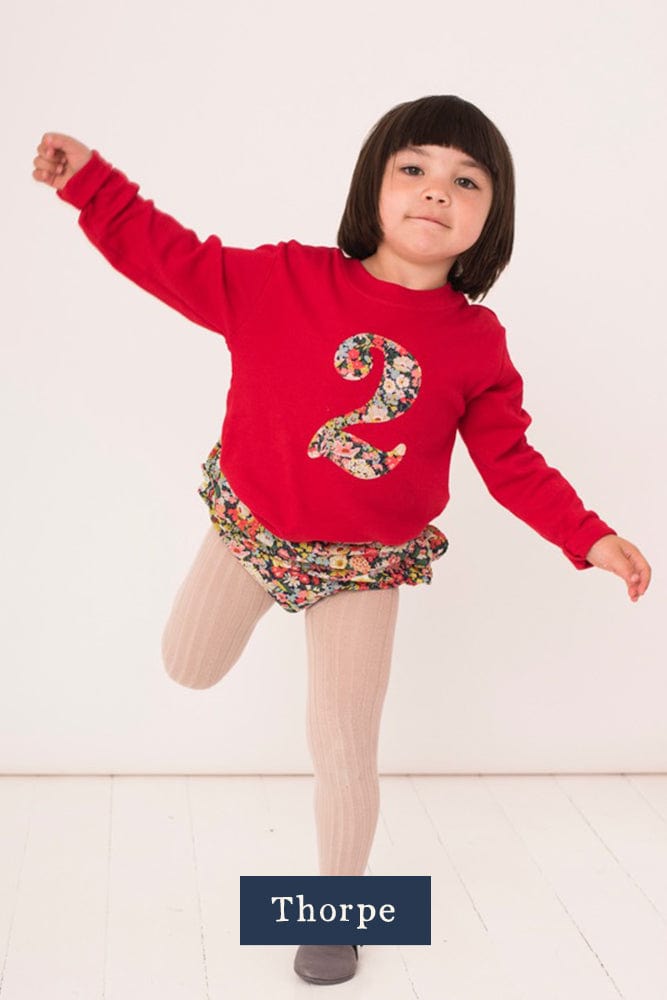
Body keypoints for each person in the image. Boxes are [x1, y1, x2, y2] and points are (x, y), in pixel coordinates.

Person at [32, 95, 651, 986]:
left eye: (464, 180)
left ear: (490, 218)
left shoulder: (476, 343)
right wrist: (93, 185)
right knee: (188, 666)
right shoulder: (286, 279)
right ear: (374, 186)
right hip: (253, 527)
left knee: (344, 743)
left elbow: (511, 463)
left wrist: (588, 537)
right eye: (415, 168)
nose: (436, 190)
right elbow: (173, 262)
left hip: (364, 565)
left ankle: (332, 919)